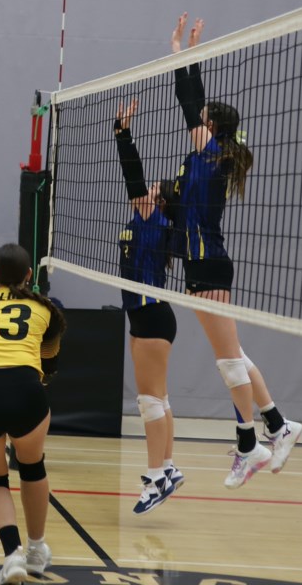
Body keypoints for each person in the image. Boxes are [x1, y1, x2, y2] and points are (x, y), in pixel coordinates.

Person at [169, 12, 302, 489]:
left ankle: (251, 444)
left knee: (227, 359)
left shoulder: (211, 150)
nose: (195, 122)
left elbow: (189, 102)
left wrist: (185, 54)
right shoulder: (215, 154)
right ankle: (279, 424)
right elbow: (192, 105)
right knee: (234, 354)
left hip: (207, 263)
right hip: (203, 261)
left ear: (212, 126)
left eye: (202, 120)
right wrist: (184, 54)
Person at [0, 243, 67, 581]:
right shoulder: (45, 310)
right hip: (25, 388)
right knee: (32, 466)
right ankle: (36, 547)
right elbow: (50, 363)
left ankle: (13, 555)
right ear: (28, 275)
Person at [114, 98, 185, 514]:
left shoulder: (150, 217)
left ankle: (156, 476)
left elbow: (133, 175)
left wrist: (123, 133)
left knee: (149, 402)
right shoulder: (149, 220)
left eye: (152, 192)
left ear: (156, 202)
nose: (146, 192)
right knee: (160, 398)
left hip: (153, 315)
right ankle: (170, 468)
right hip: (145, 316)